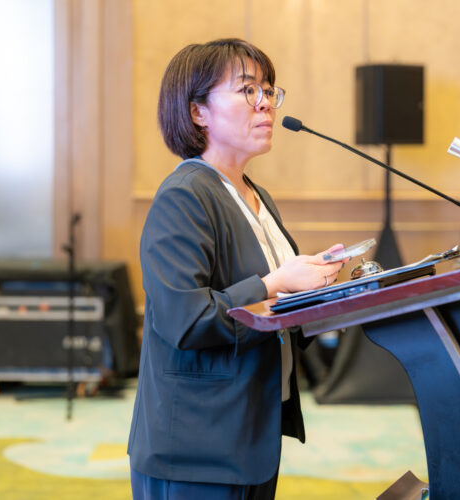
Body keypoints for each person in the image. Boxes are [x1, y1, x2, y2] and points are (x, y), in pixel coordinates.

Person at [127, 38, 346, 500]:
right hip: (196, 452)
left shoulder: (255, 196)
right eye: (248, 90)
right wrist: (274, 283)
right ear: (198, 113)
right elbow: (183, 322)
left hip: (250, 432)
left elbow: (278, 310)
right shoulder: (185, 195)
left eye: (269, 90)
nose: (265, 102)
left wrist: (320, 291)